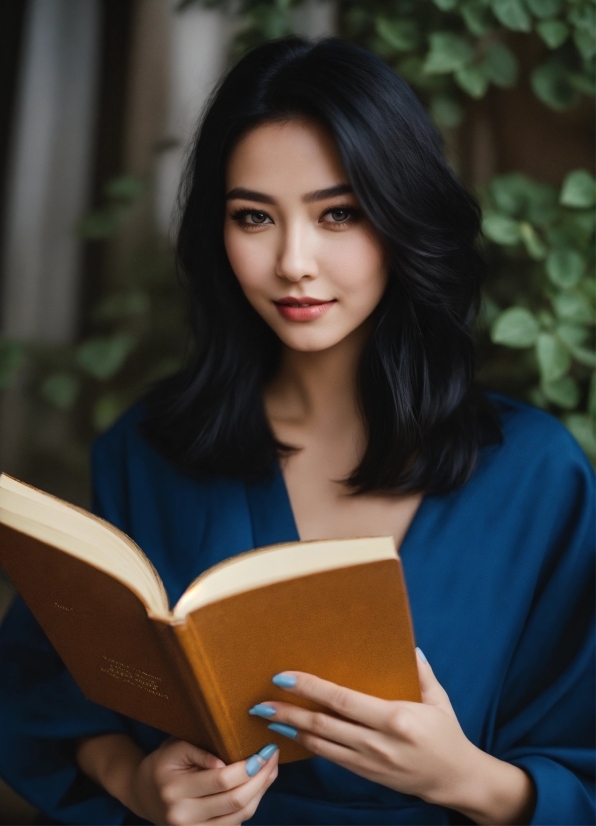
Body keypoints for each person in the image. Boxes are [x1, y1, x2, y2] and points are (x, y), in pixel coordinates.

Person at [0, 36, 593, 826]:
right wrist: (135, 782)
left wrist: (463, 778)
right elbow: (41, 692)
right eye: (254, 217)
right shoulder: (148, 449)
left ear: (402, 217)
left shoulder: (535, 475)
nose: (293, 262)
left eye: (338, 214)